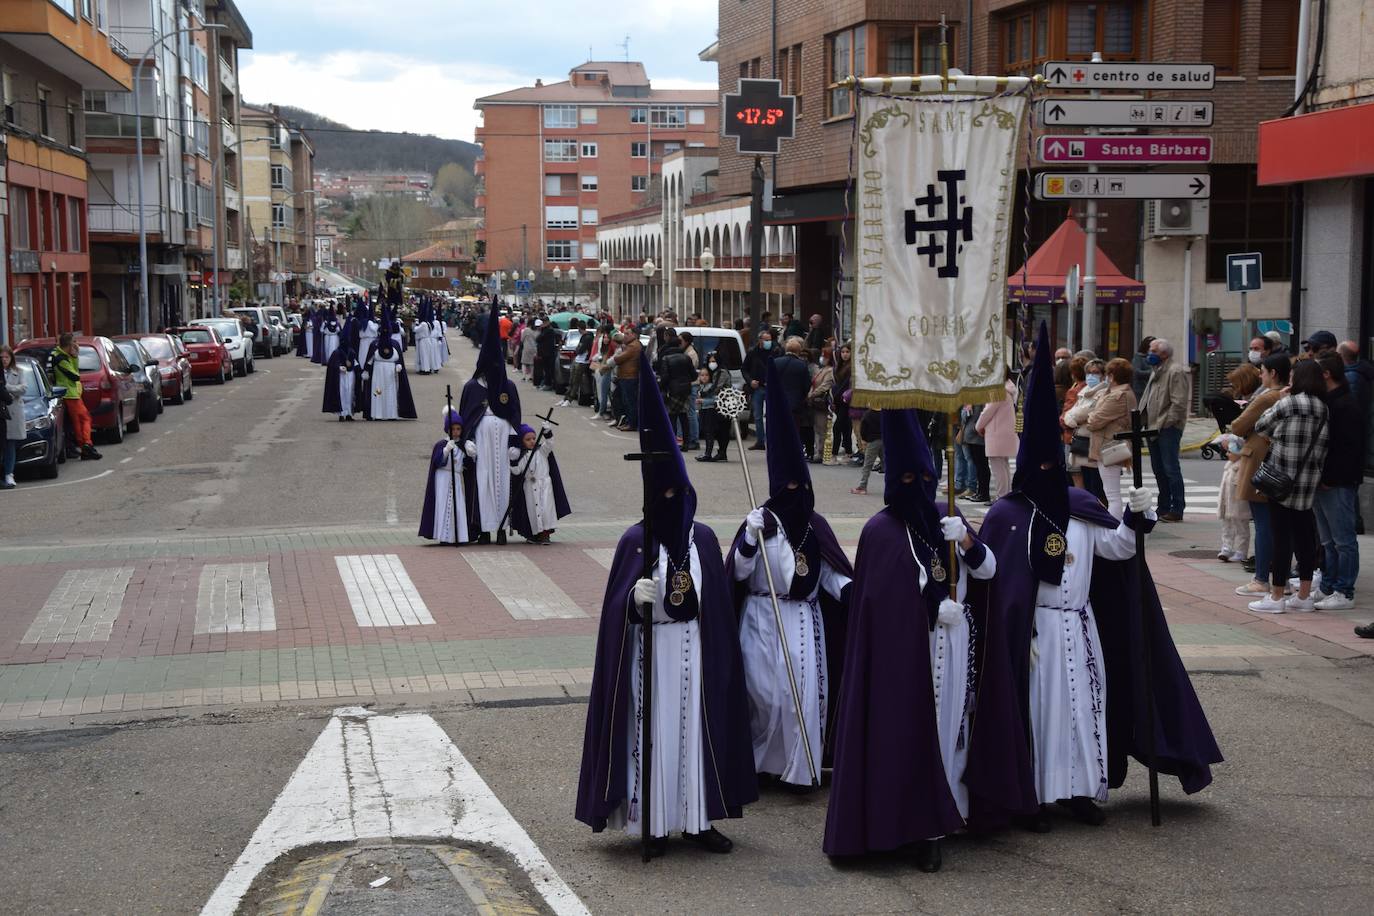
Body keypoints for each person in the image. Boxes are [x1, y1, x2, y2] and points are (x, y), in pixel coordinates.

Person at [970, 322, 1221, 832]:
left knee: (1083, 712)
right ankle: (1035, 796)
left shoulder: (1083, 509)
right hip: (1036, 632)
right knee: (1039, 714)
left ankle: (1080, 792)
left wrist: (1135, 516)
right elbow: (994, 579)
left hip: (1080, 628)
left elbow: (1119, 550)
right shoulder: (1008, 515)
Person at [575, 353, 758, 856]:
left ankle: (697, 820)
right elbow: (614, 612)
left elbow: (718, 600)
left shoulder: (702, 539)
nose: (677, 500)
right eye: (668, 492)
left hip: (695, 652)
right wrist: (631, 603)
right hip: (650, 654)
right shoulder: (637, 540)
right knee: (654, 734)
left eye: (684, 491)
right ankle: (652, 821)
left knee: (695, 732)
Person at [823, 409, 1009, 872]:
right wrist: (927, 609)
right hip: (909, 655)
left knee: (954, 729)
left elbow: (989, 572)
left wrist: (967, 541)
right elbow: (879, 604)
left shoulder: (949, 515)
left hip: (956, 644)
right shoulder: (881, 532)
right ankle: (919, 823)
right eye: (908, 477)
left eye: (925, 476)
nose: (918, 485)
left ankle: (954, 809)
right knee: (911, 732)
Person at [726, 363, 853, 794]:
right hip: (763, 618)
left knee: (805, 695)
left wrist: (856, 593)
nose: (798, 497)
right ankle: (763, 761)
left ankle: (801, 769)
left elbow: (832, 574)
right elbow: (739, 575)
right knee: (765, 696)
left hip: (805, 620)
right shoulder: (763, 524)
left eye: (803, 488)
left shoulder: (815, 525)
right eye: (790, 490)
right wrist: (748, 538)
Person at [1246, 360, 1330, 613]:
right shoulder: (1323, 408)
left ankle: (1276, 597)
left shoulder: (1288, 402)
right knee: (1305, 537)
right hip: (1307, 482)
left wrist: (1280, 402)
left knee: (1281, 538)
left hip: (1280, 479)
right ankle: (1304, 596)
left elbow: (1260, 426)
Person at [460, 301, 523, 545]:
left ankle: (502, 528)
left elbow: (516, 415)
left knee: (503, 482)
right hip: (482, 442)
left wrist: (516, 442)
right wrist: (467, 441)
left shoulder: (509, 387)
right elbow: (466, 416)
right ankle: (483, 528)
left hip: (503, 440)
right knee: (483, 482)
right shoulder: (472, 387)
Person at [1231, 354, 1290, 597]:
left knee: (1264, 524)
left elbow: (1237, 426)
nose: (1260, 375)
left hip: (1259, 462)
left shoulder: (1267, 398)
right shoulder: (1288, 395)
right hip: (1279, 462)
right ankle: (1281, 578)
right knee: (1279, 525)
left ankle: (1262, 578)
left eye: (1263, 371)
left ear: (1273, 373)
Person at [1310, 352, 1363, 610]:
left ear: (1327, 375)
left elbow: (1348, 449)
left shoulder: (1345, 405)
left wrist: (1330, 478)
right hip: (1325, 480)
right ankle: (1329, 585)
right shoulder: (1330, 402)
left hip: (1337, 482)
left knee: (1343, 540)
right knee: (1328, 540)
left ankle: (1344, 590)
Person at [1142, 338, 1190, 521]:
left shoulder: (1175, 371)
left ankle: (1176, 508)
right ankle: (1163, 507)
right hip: (1152, 427)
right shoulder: (1157, 370)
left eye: (1153, 350)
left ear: (1164, 354)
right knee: (1159, 469)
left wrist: (1166, 424)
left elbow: (1178, 403)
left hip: (1167, 428)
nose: (1149, 354)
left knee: (1170, 469)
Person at [1084, 358, 1138, 519]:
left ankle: (1113, 526)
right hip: (1109, 444)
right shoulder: (1117, 393)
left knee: (1112, 494)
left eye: (1107, 374)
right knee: (1111, 492)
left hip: (1110, 447)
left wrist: (1091, 416)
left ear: (1112, 376)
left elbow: (1094, 421)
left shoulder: (1118, 396)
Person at [509, 423, 571, 544]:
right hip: (529, 487)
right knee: (532, 511)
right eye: (527, 439)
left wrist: (547, 432)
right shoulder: (522, 456)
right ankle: (534, 534)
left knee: (546, 510)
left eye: (533, 438)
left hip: (544, 485)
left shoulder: (541, 451)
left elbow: (549, 444)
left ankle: (545, 534)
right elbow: (517, 472)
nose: (532, 441)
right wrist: (513, 460)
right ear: (521, 441)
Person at [419, 409, 470, 545]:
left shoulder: (463, 445)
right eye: (453, 429)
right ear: (448, 429)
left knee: (457, 506)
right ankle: (444, 535)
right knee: (443, 505)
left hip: (456, 479)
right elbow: (437, 462)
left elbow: (468, 464)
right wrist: (446, 451)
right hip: (443, 478)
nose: (455, 432)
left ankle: (458, 535)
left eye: (458, 429)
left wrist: (471, 453)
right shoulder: (441, 444)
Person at [50, 333, 99, 461]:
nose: (76, 345)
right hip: (69, 394)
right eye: (74, 342)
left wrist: (73, 357)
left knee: (78, 422)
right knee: (85, 419)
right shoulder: (60, 358)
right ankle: (87, 444)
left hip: (72, 393)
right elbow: (74, 375)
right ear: (70, 344)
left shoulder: (63, 356)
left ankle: (85, 448)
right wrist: (75, 357)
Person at [976, 371, 1018, 500]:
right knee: (1003, 467)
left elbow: (987, 412)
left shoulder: (998, 390)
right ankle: (1005, 495)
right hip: (1003, 432)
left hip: (997, 433)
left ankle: (1002, 497)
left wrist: (978, 426)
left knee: (998, 469)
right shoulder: (1008, 388)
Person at [361, 334, 416, 421]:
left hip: (389, 373)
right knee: (378, 391)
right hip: (378, 372)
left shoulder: (393, 344)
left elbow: (398, 359)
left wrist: (398, 365)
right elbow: (370, 359)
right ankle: (378, 413)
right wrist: (366, 370)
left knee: (390, 392)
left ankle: (391, 414)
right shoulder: (375, 344)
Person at [656, 333, 696, 448]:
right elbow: (693, 375)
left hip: (673, 390)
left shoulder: (666, 358)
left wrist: (661, 387)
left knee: (672, 416)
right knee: (684, 416)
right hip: (686, 390)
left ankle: (672, 442)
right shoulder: (686, 358)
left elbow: (665, 377)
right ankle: (686, 442)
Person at [1217, 434, 1250, 562]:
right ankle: (1226, 548)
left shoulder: (1241, 466)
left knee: (1241, 529)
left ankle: (1241, 551)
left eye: (1230, 452)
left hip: (1239, 505)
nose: (1227, 454)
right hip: (1227, 504)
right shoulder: (1229, 466)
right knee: (1226, 527)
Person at [743, 330, 774, 449]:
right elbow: (744, 369)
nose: (768, 342)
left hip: (771, 388)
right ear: (760, 340)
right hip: (758, 388)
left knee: (771, 415)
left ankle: (771, 440)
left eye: (769, 340)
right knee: (757, 416)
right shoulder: (752, 353)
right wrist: (750, 381)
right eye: (766, 340)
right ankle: (760, 441)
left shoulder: (775, 352)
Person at [695, 363, 732, 462]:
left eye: (706, 375)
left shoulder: (711, 387)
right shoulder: (701, 387)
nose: (704, 377)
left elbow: (715, 399)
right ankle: (707, 453)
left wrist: (703, 401)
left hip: (710, 411)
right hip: (703, 411)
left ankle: (708, 453)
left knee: (709, 433)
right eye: (702, 375)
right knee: (706, 432)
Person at [806, 346, 835, 464]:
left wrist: (811, 395)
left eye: (825, 356)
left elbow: (825, 386)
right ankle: (818, 451)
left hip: (821, 402)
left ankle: (821, 452)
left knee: (821, 428)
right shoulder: (822, 369)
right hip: (815, 401)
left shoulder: (830, 371)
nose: (823, 358)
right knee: (817, 428)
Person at [2, 346, 25, 489]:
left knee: (10, 445)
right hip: (1, 412)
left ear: (11, 358)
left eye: (6, 357)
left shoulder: (19, 372)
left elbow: (23, 389)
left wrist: (6, 388)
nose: (4, 360)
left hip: (13, 413)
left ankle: (9, 474)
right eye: (1, 358)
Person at [611, 329, 642, 431]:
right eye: (624, 334)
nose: (625, 336)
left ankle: (632, 423)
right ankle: (627, 421)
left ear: (634, 334)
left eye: (628, 334)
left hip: (629, 377)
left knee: (630, 401)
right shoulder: (629, 345)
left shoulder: (633, 346)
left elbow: (618, 358)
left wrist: (617, 357)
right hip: (625, 376)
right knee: (625, 400)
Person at [960, 404, 990, 503]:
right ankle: (980, 492)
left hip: (975, 436)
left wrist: (966, 409)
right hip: (974, 435)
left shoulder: (976, 401)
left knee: (981, 466)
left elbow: (966, 416)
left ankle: (983, 493)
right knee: (980, 466)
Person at [322, 346, 360, 421]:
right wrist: (339, 367)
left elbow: (355, 362)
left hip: (350, 375)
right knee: (342, 393)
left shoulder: (351, 351)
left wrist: (358, 370)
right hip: (341, 376)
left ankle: (349, 414)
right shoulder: (336, 352)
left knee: (350, 394)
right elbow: (332, 365)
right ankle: (341, 414)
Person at [850, 407, 882, 495]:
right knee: (887, 464)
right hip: (884, 440)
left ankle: (862, 486)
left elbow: (863, 429)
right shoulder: (885, 413)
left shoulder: (868, 414)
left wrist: (864, 440)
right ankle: (894, 486)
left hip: (872, 441)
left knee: (867, 465)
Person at [830, 343, 854, 462]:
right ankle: (848, 452)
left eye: (847, 352)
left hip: (846, 399)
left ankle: (834, 454)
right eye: (843, 352)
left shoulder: (851, 367)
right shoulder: (839, 366)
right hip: (838, 400)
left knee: (837, 427)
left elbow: (845, 385)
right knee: (845, 426)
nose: (845, 354)